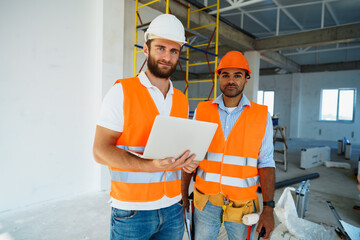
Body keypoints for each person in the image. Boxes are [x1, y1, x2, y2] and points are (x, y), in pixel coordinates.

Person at [93, 14, 199, 240]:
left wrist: (186, 161)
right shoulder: (122, 92)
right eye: (160, 48)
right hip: (132, 210)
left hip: (172, 207)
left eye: (174, 51)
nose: (167, 57)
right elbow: (100, 151)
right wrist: (148, 165)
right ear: (146, 48)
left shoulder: (181, 100)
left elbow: (174, 150)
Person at [182, 51, 276, 240]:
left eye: (237, 75)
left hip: (242, 205)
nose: (231, 80)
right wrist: (183, 194)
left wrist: (268, 208)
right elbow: (190, 156)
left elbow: (266, 162)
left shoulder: (261, 115)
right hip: (206, 201)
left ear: (246, 79)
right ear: (219, 78)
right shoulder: (202, 110)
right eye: (225, 75)